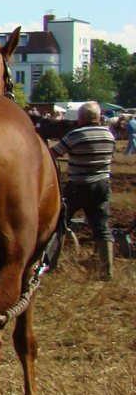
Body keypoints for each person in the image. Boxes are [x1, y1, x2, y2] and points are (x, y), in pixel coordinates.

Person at [53, 100, 116, 281]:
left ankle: (52, 263)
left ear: (81, 118)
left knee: (59, 223)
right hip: (103, 185)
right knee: (102, 227)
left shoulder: (76, 135)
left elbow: (54, 153)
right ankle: (107, 271)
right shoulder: (109, 135)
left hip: (78, 186)